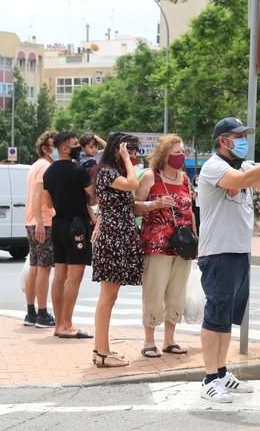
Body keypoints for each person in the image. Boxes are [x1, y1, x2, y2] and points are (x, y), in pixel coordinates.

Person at [197, 116, 260, 403]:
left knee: (227, 318)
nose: (243, 140)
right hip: (217, 252)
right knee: (215, 316)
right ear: (223, 140)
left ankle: (221, 372)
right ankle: (208, 379)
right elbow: (242, 181)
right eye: (238, 135)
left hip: (240, 251)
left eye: (244, 134)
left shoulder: (244, 165)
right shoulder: (213, 167)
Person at [135, 134, 196, 358]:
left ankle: (170, 340)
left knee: (176, 293)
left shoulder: (184, 179)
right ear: (164, 155)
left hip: (183, 245)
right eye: (176, 153)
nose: (181, 156)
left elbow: (190, 211)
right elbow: (135, 207)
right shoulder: (151, 177)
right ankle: (149, 341)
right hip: (157, 244)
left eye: (182, 152)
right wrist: (156, 204)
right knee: (154, 291)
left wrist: (195, 239)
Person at [91, 133, 144, 367]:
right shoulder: (108, 173)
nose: (133, 155)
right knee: (107, 297)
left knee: (110, 297)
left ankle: (102, 349)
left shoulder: (114, 173)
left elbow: (129, 205)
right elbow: (134, 184)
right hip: (112, 238)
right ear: (118, 150)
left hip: (119, 236)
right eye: (129, 150)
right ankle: (101, 352)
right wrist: (125, 157)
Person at [42, 132, 95, 339]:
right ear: (65, 148)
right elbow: (92, 197)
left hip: (58, 225)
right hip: (77, 225)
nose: (78, 149)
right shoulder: (79, 170)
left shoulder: (49, 172)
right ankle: (66, 323)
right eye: (75, 145)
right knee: (74, 277)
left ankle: (59, 323)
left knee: (59, 276)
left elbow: (47, 204)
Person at [23, 129, 58, 328]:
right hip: (43, 221)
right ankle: (43, 313)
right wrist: (40, 222)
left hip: (32, 221)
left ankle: (31, 312)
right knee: (43, 268)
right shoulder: (45, 167)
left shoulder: (35, 165)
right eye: (54, 146)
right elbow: (38, 195)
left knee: (35, 266)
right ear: (46, 149)